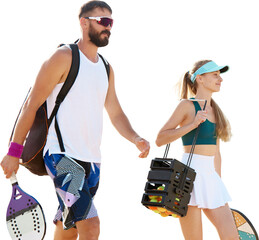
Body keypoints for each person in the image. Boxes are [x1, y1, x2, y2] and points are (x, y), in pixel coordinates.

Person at [1, 1, 150, 240]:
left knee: (68, 228)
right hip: (62, 156)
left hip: (92, 161)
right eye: (103, 21)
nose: (108, 27)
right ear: (84, 22)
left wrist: (136, 138)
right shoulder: (63, 57)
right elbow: (32, 104)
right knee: (91, 225)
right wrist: (14, 151)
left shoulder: (106, 68)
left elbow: (115, 112)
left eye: (111, 22)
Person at [156, 60, 239, 240]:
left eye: (220, 75)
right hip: (187, 176)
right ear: (200, 79)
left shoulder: (216, 110)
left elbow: (217, 152)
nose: (220, 79)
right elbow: (160, 139)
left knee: (232, 237)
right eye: (215, 75)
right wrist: (193, 124)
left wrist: (218, 180)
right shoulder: (186, 105)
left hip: (211, 177)